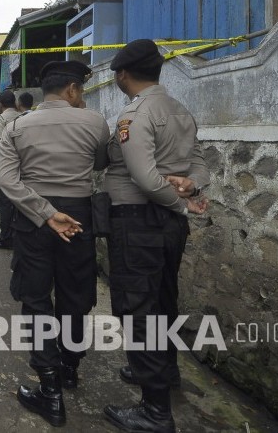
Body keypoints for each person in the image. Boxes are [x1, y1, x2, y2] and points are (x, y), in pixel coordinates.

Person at [102, 39, 210, 433]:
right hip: (169, 225)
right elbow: (199, 164)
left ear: (122, 75)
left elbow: (145, 178)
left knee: (138, 309)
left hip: (138, 220)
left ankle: (154, 412)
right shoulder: (180, 110)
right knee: (163, 298)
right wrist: (191, 188)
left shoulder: (135, 114)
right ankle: (164, 374)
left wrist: (180, 202)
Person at [0, 61, 110, 427]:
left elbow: (8, 182)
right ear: (73, 90)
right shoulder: (95, 122)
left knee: (36, 299)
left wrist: (45, 212)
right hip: (78, 217)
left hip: (33, 221)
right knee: (76, 294)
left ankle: (49, 391)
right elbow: (100, 163)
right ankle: (70, 367)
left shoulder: (15, 127)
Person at [0, 90, 20, 248]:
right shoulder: (22, 116)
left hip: (4, 163)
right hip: (22, 163)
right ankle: (18, 235)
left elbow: (1, 144)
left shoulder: (0, 119)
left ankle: (6, 238)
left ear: (0, 104)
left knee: (5, 203)